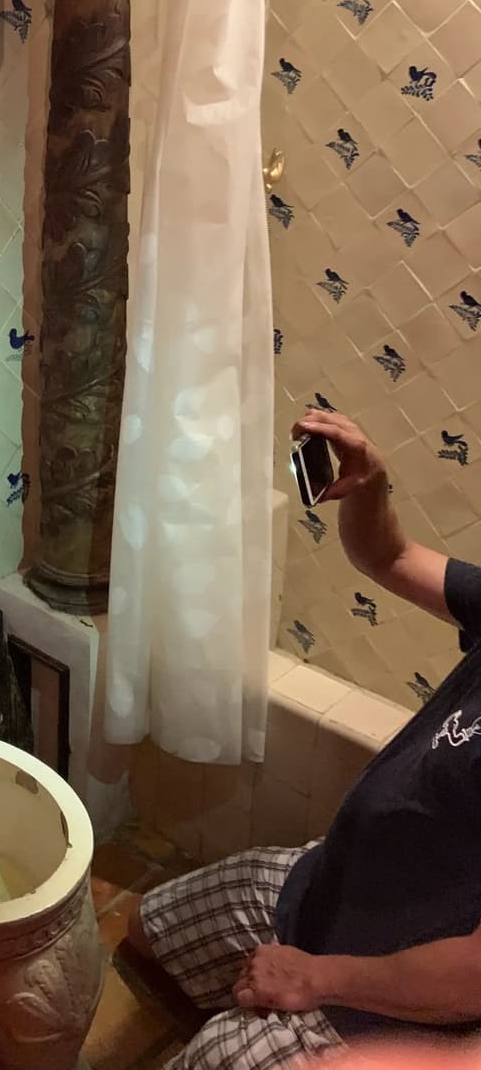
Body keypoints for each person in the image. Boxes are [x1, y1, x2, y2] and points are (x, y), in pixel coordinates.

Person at [122, 409, 481, 1069]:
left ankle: (226, 1039)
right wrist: (371, 492)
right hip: (322, 886)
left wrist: (314, 977)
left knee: (207, 1058)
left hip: (370, 1004)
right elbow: (391, 555)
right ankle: (230, 1021)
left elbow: (472, 978)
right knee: (144, 932)